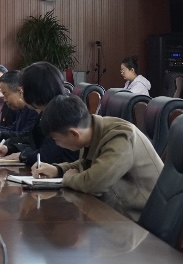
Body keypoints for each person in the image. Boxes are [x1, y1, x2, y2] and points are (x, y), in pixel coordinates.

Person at [31, 95, 164, 222]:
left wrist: (68, 179)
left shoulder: (121, 137)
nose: (57, 144)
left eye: (56, 139)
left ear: (73, 134)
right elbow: (87, 164)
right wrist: (57, 170)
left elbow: (94, 183)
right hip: (114, 214)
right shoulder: (92, 131)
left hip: (138, 222)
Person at [0, 62, 76, 165]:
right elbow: (33, 142)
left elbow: (49, 155)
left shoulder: (61, 111)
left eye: (23, 90)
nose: (21, 94)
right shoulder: (44, 110)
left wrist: (23, 156)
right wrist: (9, 149)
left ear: (34, 90)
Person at [0, 69, 33, 146]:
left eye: (5, 94)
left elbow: (26, 136)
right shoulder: (21, 109)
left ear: (20, 91)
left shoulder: (33, 110)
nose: (5, 99)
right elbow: (13, 129)